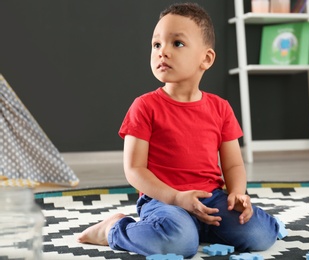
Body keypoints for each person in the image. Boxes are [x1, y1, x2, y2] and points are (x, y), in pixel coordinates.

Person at [77, 2, 279, 258]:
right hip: (163, 201)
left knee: (259, 233)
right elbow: (134, 169)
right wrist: (175, 198)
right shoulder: (144, 106)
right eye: (156, 45)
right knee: (178, 244)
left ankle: (200, 229)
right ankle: (114, 229)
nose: (163, 52)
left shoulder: (221, 108)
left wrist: (238, 194)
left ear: (205, 59)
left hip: (211, 199)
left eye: (177, 43)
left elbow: (233, 166)